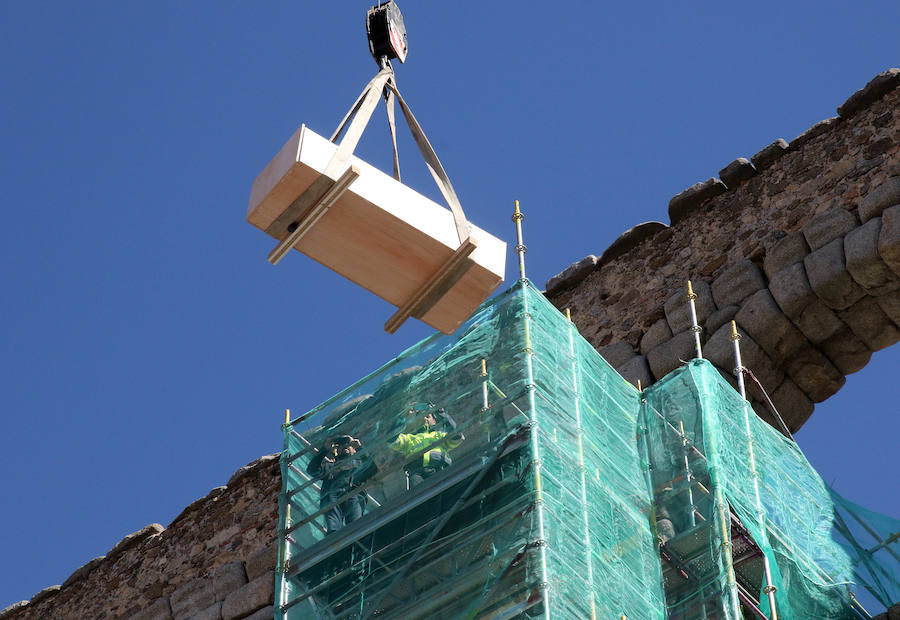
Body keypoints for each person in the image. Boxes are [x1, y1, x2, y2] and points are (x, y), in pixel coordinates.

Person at [307, 434, 377, 534]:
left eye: (348, 444)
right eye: (341, 444)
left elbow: (372, 469)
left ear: (354, 450)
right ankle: (335, 540)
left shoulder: (359, 464)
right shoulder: (330, 466)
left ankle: (355, 541)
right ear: (336, 450)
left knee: (355, 526)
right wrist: (325, 449)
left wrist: (359, 448)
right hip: (332, 495)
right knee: (334, 529)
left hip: (354, 494)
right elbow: (312, 470)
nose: (345, 445)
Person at [390, 403, 464, 488]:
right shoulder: (407, 439)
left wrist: (442, 414)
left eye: (428, 416)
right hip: (417, 473)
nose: (424, 418)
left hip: (439, 467)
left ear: (434, 421)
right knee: (418, 494)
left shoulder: (440, 435)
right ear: (413, 422)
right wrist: (403, 416)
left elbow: (457, 436)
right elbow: (391, 439)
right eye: (419, 416)